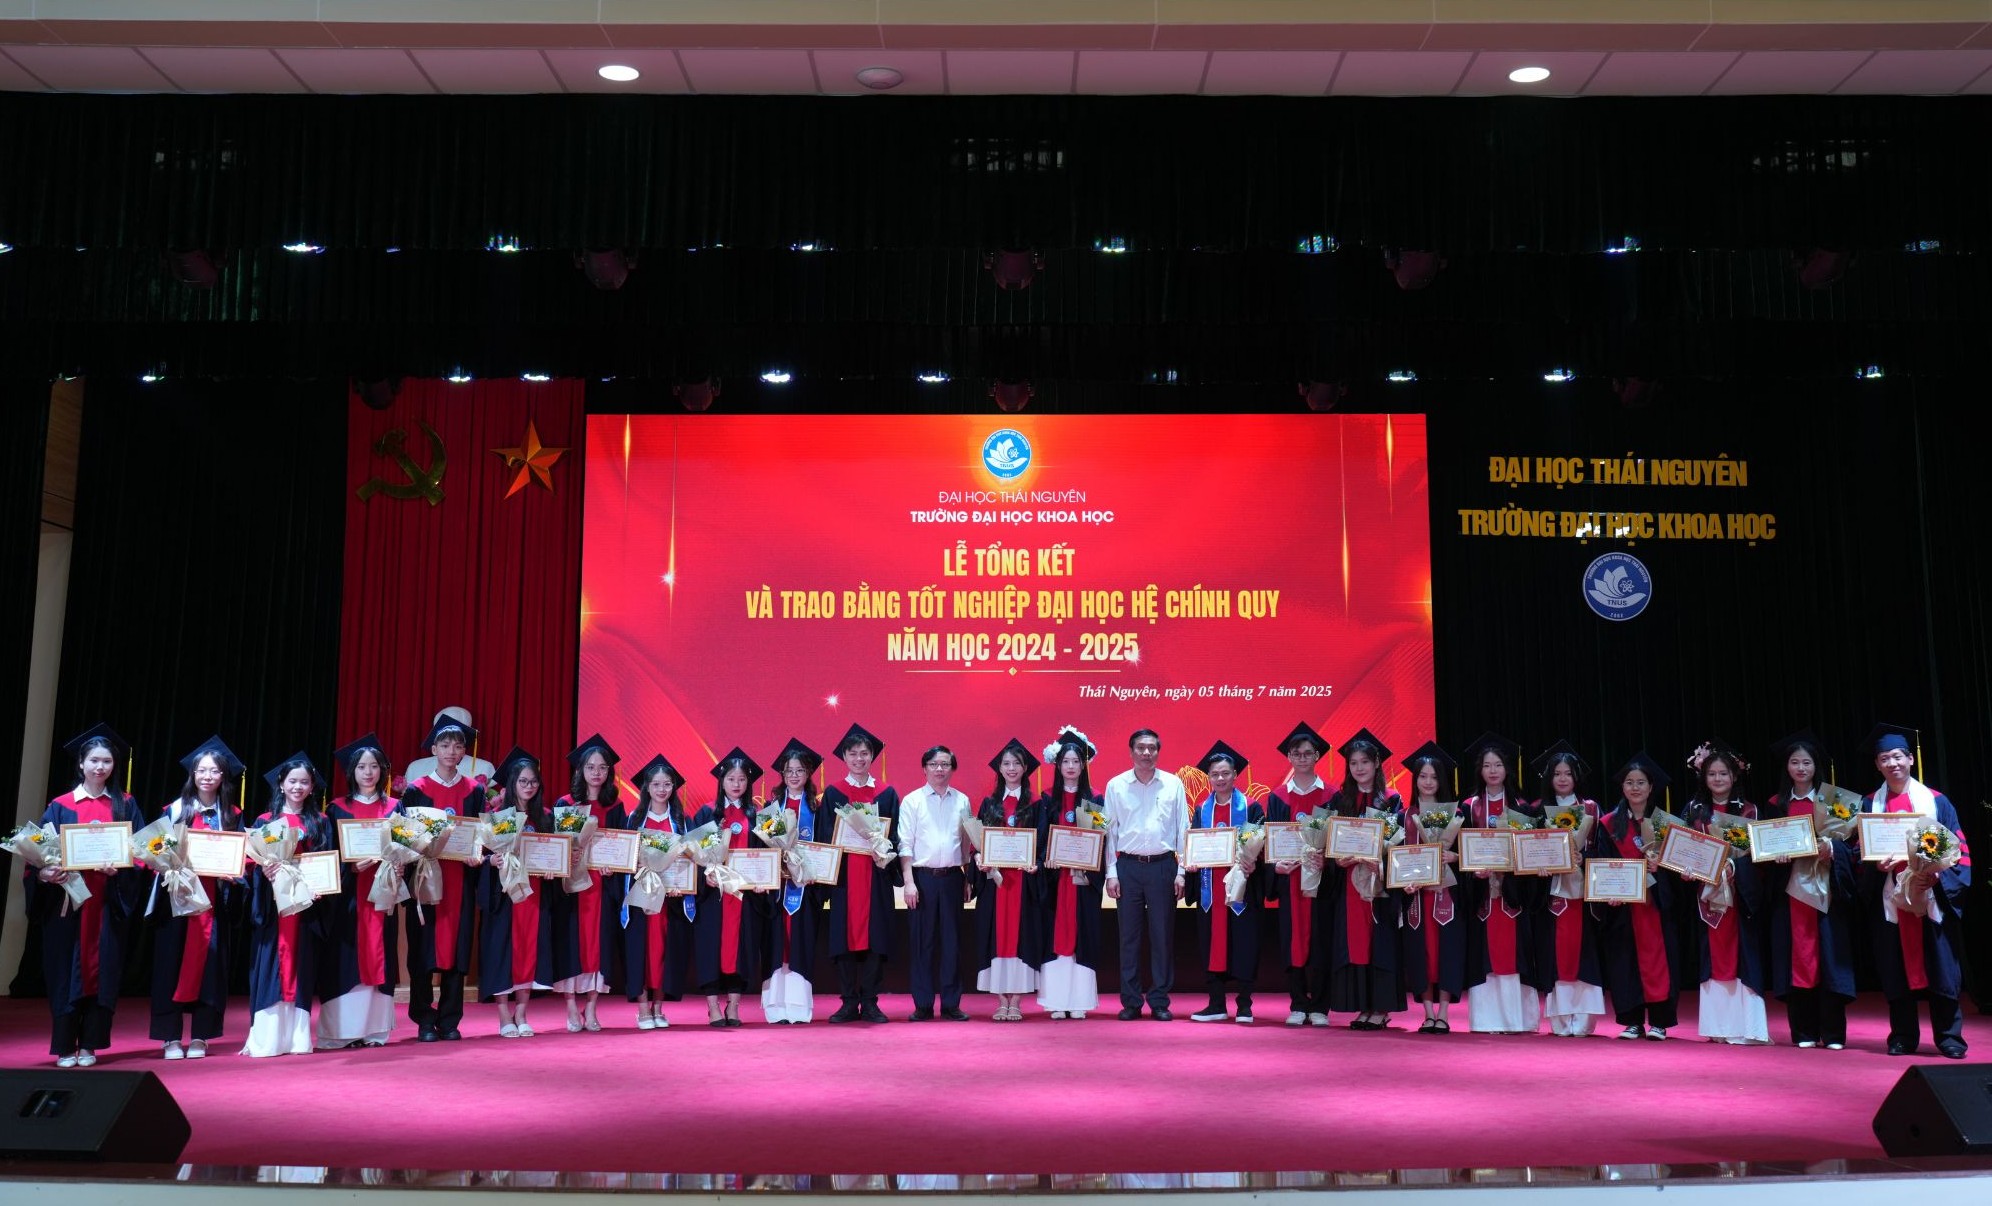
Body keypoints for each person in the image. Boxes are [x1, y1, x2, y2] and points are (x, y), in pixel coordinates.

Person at [27, 723, 145, 1067]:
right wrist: (45, 874)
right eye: (94, 760)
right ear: (81, 763)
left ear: (114, 765)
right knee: (65, 971)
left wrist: (121, 869)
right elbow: (37, 858)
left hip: (106, 904)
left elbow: (140, 854)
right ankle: (65, 1046)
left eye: (106, 761)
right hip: (67, 906)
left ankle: (90, 1044)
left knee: (102, 970)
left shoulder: (125, 805)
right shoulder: (60, 806)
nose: (100, 767)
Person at [1857, 723, 1970, 1059]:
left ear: (1910, 759)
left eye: (1897, 756)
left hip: (1931, 897)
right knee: (1895, 968)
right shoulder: (1870, 804)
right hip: (1891, 898)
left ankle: (1949, 1037)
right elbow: (1857, 852)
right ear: (1877, 765)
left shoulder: (1936, 801)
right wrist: (1874, 866)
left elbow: (1959, 851)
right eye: (1884, 758)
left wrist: (1937, 877)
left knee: (1942, 967)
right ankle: (1903, 1036)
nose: (1892, 763)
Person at [148, 736, 245, 1060]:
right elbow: (151, 853)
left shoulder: (231, 815)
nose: (207, 776)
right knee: (169, 966)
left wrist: (236, 872)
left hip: (214, 903)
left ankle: (202, 1035)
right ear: (192, 774)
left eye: (214, 771)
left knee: (211, 969)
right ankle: (170, 1037)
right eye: (201, 770)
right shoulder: (174, 811)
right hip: (177, 903)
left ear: (223, 776)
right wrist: (165, 866)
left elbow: (245, 857)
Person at [1760, 730, 1857, 1050]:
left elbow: (1852, 847)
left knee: (1829, 957)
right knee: (1799, 957)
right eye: (1794, 762)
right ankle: (1803, 1031)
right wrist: (1776, 856)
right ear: (1786, 767)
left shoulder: (1834, 802)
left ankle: (1833, 1033)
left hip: (1827, 889)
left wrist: (1833, 849)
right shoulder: (1776, 804)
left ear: (1816, 766)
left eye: (1807, 762)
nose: (1801, 768)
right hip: (1790, 891)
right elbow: (1766, 849)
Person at [398, 714, 484, 1043]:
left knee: (457, 950)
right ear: (434, 749)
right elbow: (404, 836)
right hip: (424, 878)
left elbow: (481, 835)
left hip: (460, 880)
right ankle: (423, 1019)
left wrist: (478, 852)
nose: (451, 751)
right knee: (422, 949)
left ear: (464, 752)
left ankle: (449, 1020)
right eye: (445, 745)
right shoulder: (416, 790)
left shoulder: (474, 791)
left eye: (458, 746)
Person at [242, 752, 333, 1058]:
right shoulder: (265, 821)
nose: (298, 787)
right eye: (292, 781)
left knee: (302, 965)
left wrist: (322, 886)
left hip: (305, 908)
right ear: (281, 784)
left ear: (312, 787)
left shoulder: (319, 822)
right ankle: (267, 1040)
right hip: (274, 909)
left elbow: (325, 861)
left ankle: (297, 1039)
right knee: (271, 963)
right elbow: (251, 863)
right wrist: (264, 871)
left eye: (304, 782)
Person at [1590, 752, 1684, 1040]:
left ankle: (1659, 1022)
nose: (1635, 788)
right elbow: (1602, 865)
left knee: (1659, 961)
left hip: (1655, 905)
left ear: (1650, 787)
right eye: (1629, 782)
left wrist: (1662, 868)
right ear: (1622, 787)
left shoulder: (1665, 824)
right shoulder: (1609, 824)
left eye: (1641, 782)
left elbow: (1680, 870)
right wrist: (1608, 893)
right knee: (1625, 961)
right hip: (1623, 909)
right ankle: (1632, 1021)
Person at [1680, 741, 1769, 1045]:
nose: (1717, 779)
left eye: (1723, 773)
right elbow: (1684, 851)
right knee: (1712, 955)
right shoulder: (1693, 811)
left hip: (1739, 895)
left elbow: (1757, 855)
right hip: (1706, 896)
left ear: (1734, 776)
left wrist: (1733, 867)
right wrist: (1685, 869)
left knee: (1744, 954)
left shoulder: (1749, 810)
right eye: (1712, 774)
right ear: (1703, 777)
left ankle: (1748, 1029)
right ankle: (1718, 1028)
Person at [318, 733, 400, 1050]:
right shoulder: (336, 808)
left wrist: (400, 866)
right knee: (346, 957)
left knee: (381, 953)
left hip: (383, 893)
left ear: (382, 770)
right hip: (349, 899)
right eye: (362, 766)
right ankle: (343, 1032)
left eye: (374, 766)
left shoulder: (395, 808)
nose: (368, 772)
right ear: (352, 771)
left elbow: (405, 847)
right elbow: (328, 856)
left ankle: (374, 1030)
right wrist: (349, 869)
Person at [1103, 728, 1188, 1021]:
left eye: (1152, 748)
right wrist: (1111, 873)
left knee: (1162, 936)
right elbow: (1109, 833)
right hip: (1127, 867)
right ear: (1131, 752)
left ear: (1158, 752)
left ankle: (1160, 1000)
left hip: (1163, 866)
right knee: (1129, 937)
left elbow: (1182, 829)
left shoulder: (1173, 784)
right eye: (1140, 747)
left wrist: (1182, 872)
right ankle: (1131, 1001)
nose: (1146, 753)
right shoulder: (1116, 785)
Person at [1325, 728, 1406, 1030]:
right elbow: (1331, 842)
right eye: (1353, 763)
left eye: (1364, 762)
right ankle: (1362, 1005)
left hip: (1377, 882)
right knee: (1355, 942)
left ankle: (1381, 1008)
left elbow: (1398, 842)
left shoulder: (1391, 800)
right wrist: (1336, 859)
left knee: (1380, 941)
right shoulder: (1341, 799)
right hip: (1349, 883)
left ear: (1376, 764)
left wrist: (1380, 861)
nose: (1359, 768)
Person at [820, 723, 900, 1023]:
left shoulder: (886, 793)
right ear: (844, 757)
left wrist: (885, 853)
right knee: (843, 939)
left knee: (875, 938)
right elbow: (826, 834)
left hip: (875, 876)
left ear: (872, 756)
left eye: (864, 753)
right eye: (852, 754)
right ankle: (848, 1001)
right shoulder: (833, 793)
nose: (859, 759)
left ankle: (870, 1002)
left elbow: (895, 834)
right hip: (844, 878)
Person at [1531, 740, 1605, 1037]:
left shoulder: (1591, 808)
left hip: (1584, 893)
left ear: (1576, 776)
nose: (1562, 779)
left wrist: (1583, 858)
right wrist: (1538, 866)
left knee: (1584, 952)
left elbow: (1603, 849)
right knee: (1557, 954)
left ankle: (1584, 1021)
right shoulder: (1539, 811)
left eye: (1567, 773)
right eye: (1556, 773)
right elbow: (1530, 852)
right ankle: (1561, 1021)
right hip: (1553, 892)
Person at [547, 734, 621, 1033]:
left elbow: (621, 847)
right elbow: (556, 846)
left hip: (602, 886)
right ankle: (570, 1007)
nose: (596, 772)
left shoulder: (615, 806)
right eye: (591, 767)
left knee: (598, 945)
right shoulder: (566, 805)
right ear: (580, 770)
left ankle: (590, 1007)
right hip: (572, 888)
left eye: (602, 767)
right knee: (571, 942)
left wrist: (614, 864)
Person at [613, 754, 693, 1030]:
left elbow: (690, 860)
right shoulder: (634, 820)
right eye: (656, 784)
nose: (662, 789)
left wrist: (682, 885)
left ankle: (659, 1007)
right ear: (646, 787)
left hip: (670, 899)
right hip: (641, 898)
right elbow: (625, 859)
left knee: (664, 952)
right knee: (642, 951)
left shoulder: (682, 821)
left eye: (667, 784)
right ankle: (643, 1008)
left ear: (673, 787)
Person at [1187, 740, 1264, 1025]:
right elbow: (1193, 845)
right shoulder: (1201, 810)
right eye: (1215, 774)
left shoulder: (1251, 807)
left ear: (1235, 775)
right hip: (1211, 889)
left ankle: (1244, 1006)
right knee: (1212, 944)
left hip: (1242, 889)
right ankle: (1216, 1004)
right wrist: (1191, 862)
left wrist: (1255, 861)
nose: (1220, 779)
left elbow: (1262, 845)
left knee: (1244, 943)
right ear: (1209, 777)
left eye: (1225, 773)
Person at [478, 746, 551, 1038]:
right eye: (523, 781)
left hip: (534, 895)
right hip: (505, 894)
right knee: (501, 950)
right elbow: (479, 855)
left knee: (528, 951)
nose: (529, 786)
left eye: (533, 781)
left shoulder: (544, 817)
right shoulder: (497, 816)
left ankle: (521, 1013)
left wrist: (554, 869)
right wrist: (490, 861)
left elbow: (554, 854)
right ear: (512, 783)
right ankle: (504, 1015)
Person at [695, 748, 771, 1026]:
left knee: (743, 948)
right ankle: (713, 1006)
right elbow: (695, 854)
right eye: (731, 779)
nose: (736, 784)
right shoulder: (707, 813)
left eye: (741, 779)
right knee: (711, 947)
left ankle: (734, 1006)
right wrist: (705, 875)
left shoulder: (758, 815)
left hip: (745, 896)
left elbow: (768, 854)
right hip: (714, 895)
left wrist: (764, 880)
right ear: (722, 781)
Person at [1263, 722, 1333, 1027]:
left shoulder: (1331, 795)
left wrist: (1326, 860)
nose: (1302, 758)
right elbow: (1270, 844)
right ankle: (1297, 1003)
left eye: (1307, 753)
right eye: (1296, 754)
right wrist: (1275, 867)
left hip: (1320, 881)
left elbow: (1338, 840)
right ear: (1289, 757)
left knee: (1320, 940)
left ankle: (1319, 1006)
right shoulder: (1278, 797)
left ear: (1317, 755)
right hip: (1290, 880)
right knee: (1292, 941)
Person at [899, 744, 973, 1021]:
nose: (939, 769)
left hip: (953, 877)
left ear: (952, 768)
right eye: (933, 764)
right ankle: (923, 1004)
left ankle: (952, 1003)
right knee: (923, 943)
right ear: (924, 768)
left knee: (953, 943)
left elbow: (966, 843)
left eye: (945, 764)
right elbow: (905, 844)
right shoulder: (912, 801)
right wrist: (909, 883)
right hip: (923, 879)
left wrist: (967, 876)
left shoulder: (962, 801)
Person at [1034, 726, 1104, 1020]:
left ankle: (1079, 1001)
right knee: (1054, 933)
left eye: (1076, 761)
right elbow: (1040, 839)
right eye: (1066, 761)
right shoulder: (1046, 799)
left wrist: (1088, 867)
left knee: (1082, 934)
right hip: (1056, 881)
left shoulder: (1096, 799)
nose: (1071, 766)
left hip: (1083, 880)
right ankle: (1055, 1000)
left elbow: (1101, 838)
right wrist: (1045, 860)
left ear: (1084, 765)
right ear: (1058, 765)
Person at [1399, 741, 1470, 1034]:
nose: (1428, 782)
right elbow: (1397, 856)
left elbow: (1470, 854)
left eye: (1434, 777)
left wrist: (1456, 857)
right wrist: (1402, 881)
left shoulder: (1457, 814)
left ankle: (1443, 1013)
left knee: (1446, 952)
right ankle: (1427, 1013)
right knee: (1422, 953)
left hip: (1446, 894)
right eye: (1423, 776)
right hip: (1416, 895)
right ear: (1415, 779)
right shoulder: (1405, 815)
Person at [974, 738, 1043, 1021]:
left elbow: (1042, 843)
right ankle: (1001, 999)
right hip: (996, 883)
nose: (1011, 768)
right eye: (1006, 763)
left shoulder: (1036, 804)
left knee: (1020, 937)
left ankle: (1016, 1000)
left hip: (1023, 884)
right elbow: (978, 842)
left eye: (1017, 763)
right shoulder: (989, 804)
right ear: (999, 769)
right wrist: (979, 858)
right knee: (996, 936)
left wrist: (1037, 864)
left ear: (1025, 768)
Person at [762, 738, 827, 1025]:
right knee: (777, 944)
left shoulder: (817, 808)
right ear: (782, 774)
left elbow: (824, 847)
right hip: (777, 890)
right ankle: (775, 1006)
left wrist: (816, 875)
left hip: (805, 888)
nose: (794, 775)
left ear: (808, 773)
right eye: (789, 770)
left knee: (800, 943)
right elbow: (763, 847)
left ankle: (799, 1007)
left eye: (800, 770)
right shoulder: (771, 808)